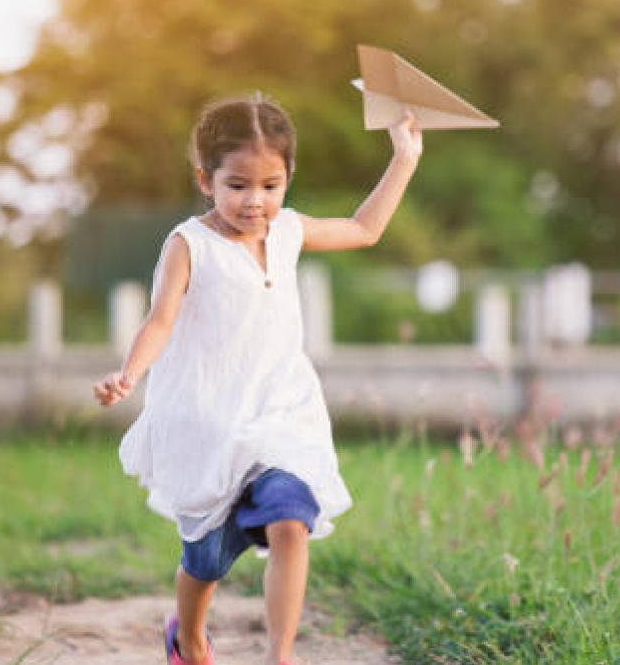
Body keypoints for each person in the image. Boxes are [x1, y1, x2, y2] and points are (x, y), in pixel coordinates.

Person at [93, 93, 422, 665]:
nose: (255, 201)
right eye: (238, 185)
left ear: (288, 178)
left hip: (281, 418)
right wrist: (128, 374)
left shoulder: (289, 231)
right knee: (206, 562)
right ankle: (189, 636)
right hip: (210, 426)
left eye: (270, 186)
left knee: (291, 522)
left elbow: (364, 228)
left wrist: (405, 158)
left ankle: (280, 654)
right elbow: (161, 318)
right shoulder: (188, 244)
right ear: (206, 179)